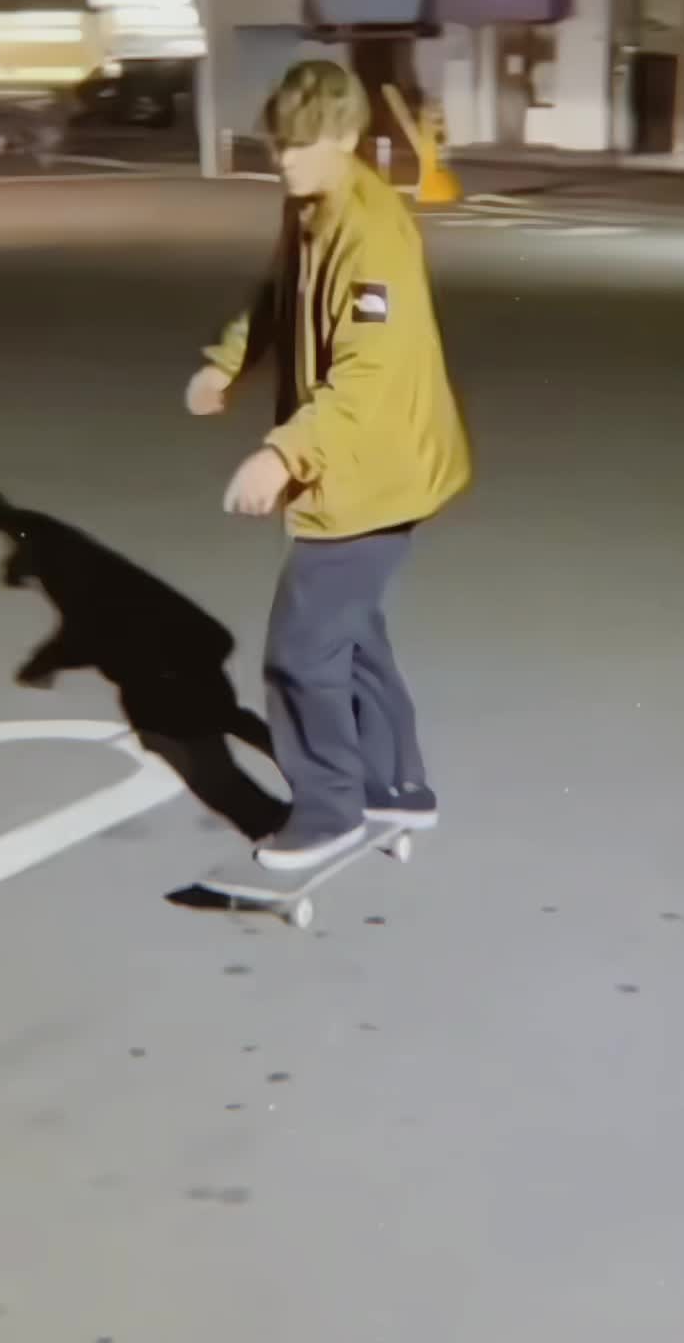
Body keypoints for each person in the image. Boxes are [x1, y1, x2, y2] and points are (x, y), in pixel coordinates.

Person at [185, 58, 471, 871]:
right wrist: (228, 363)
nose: (284, 160)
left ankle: (328, 810)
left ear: (345, 137)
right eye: (278, 144)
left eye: (301, 146)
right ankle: (395, 784)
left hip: (373, 470)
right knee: (352, 631)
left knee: (302, 648)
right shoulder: (311, 204)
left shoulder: (370, 233)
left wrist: (283, 453)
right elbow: (278, 294)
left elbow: (367, 374)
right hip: (361, 463)